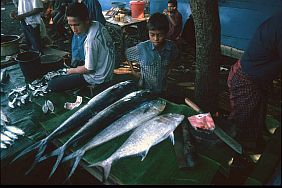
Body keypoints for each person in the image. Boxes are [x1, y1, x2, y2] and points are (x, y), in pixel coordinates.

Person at [227, 11, 281, 152]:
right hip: (246, 79)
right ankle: (237, 157)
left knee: (256, 116)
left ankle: (253, 146)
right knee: (243, 123)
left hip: (256, 78)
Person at [47, 2, 115, 92]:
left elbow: (88, 69)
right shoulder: (97, 24)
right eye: (70, 25)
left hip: (98, 78)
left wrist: (71, 71)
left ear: (86, 20)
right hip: (106, 71)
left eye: (77, 25)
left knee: (53, 84)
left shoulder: (91, 41)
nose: (74, 30)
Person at [125, 12, 179, 96]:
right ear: (148, 33)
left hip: (162, 88)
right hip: (145, 89)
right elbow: (127, 53)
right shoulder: (141, 48)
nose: (156, 39)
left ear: (166, 33)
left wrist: (170, 69)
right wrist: (133, 71)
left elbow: (175, 57)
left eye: (160, 35)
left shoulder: (171, 47)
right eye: (152, 35)